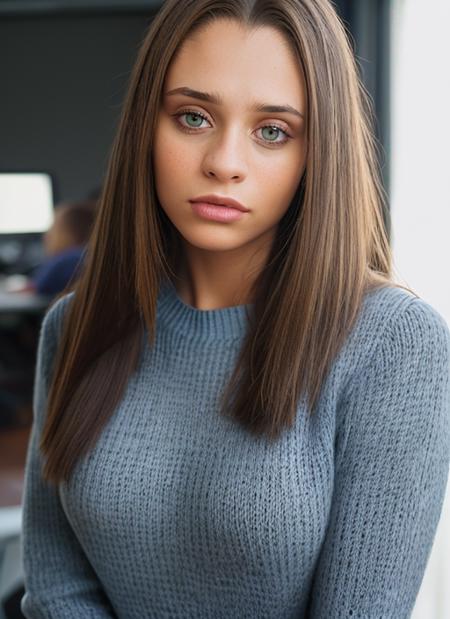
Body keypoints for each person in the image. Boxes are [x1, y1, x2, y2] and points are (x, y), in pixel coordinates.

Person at [20, 1, 450, 618]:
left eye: (273, 131)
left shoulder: (392, 343)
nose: (224, 162)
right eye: (192, 117)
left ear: (316, 154)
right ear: (147, 125)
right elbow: (58, 591)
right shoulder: (74, 327)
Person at [24, 200, 96, 296]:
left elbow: (40, 287)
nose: (47, 235)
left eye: (54, 228)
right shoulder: (88, 253)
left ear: (70, 232)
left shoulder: (68, 259)